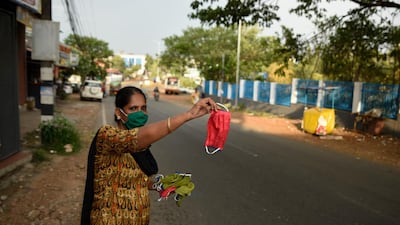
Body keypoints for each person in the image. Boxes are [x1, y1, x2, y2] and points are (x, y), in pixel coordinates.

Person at [81, 86, 217, 225]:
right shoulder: (107, 136)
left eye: (143, 108)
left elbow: (137, 181)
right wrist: (189, 115)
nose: (140, 113)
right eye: (133, 109)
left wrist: (162, 185)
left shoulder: (141, 148)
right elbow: (138, 137)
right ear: (118, 113)